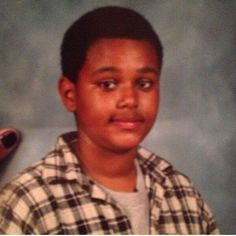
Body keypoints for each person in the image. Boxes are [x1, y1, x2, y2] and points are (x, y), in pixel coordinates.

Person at [0, 6, 219, 234]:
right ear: (70, 94)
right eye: (108, 84)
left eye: (144, 83)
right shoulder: (27, 203)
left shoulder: (183, 193)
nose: (130, 100)